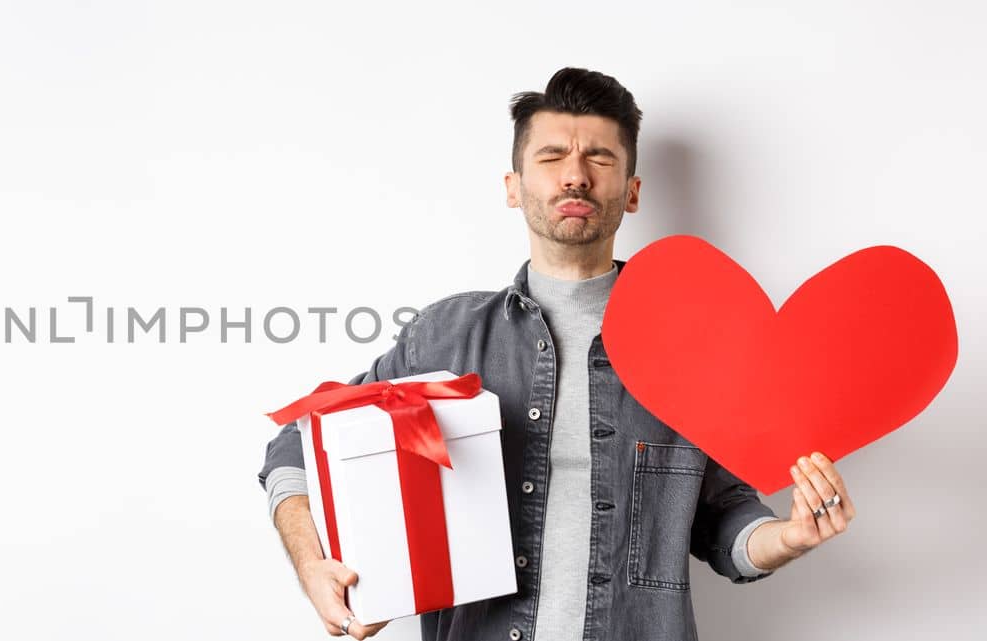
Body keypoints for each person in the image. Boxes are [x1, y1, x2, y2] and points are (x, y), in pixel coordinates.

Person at [257, 67, 857, 641]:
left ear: (632, 191)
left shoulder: (694, 348)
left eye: (600, 157)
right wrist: (313, 564)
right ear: (514, 187)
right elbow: (299, 443)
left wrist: (789, 537)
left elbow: (723, 517)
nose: (576, 176)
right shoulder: (444, 337)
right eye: (551, 157)